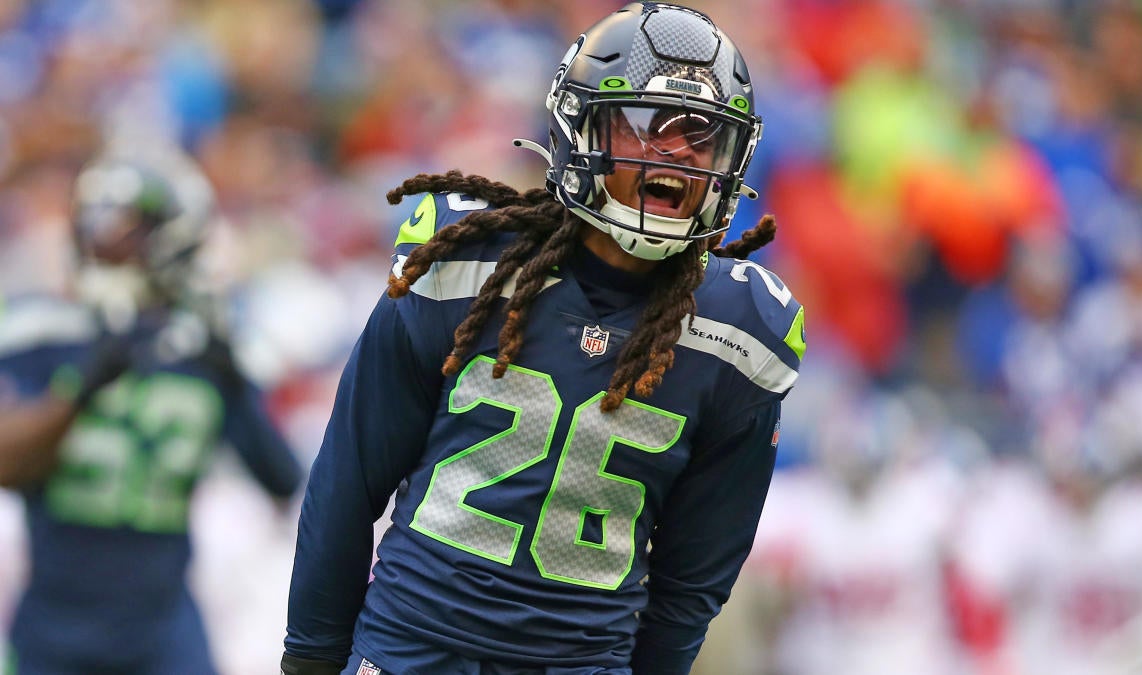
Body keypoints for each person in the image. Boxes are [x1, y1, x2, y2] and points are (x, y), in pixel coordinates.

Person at [281, 3, 806, 674]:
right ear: (579, 130)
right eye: (649, 126)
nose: (676, 151)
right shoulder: (463, 264)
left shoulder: (737, 334)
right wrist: (310, 660)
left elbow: (689, 586)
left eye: (702, 135)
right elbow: (348, 488)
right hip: (414, 652)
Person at [0, 146, 304, 675]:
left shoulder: (201, 349)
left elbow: (281, 478)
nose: (105, 239)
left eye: (125, 225)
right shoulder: (41, 330)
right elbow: (6, 464)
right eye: (96, 221)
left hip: (162, 627)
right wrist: (82, 389)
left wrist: (232, 379)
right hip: (55, 624)